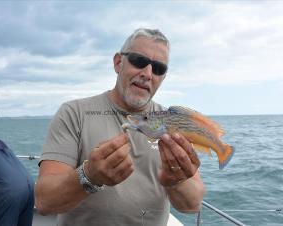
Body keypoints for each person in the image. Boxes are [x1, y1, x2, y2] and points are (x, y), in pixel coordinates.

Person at [35, 28, 205, 226]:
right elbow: (44, 201)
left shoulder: (172, 123)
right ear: (118, 62)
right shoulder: (74, 113)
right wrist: (89, 175)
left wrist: (176, 181)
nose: (148, 74)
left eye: (158, 68)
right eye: (139, 61)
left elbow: (192, 204)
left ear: (162, 78)